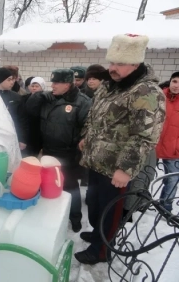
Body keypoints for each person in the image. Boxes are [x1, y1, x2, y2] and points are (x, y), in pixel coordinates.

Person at [75, 33, 166, 265]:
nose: (112, 68)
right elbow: (94, 116)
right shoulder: (109, 84)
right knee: (94, 205)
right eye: (111, 62)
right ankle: (98, 234)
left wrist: (125, 169)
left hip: (116, 167)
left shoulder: (145, 92)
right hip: (96, 160)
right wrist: (87, 136)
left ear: (135, 64)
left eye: (119, 63)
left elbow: (144, 136)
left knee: (110, 211)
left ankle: (102, 249)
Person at [26, 69, 91, 232]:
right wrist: (37, 96)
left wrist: (81, 145)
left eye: (57, 83)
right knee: (47, 184)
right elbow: (29, 111)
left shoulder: (82, 102)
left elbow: (89, 127)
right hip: (48, 150)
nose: (52, 85)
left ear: (68, 84)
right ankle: (51, 214)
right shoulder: (48, 98)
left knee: (69, 186)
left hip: (69, 153)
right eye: (52, 82)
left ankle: (75, 218)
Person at [156, 71, 179, 212]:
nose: (177, 85)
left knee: (172, 179)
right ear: (170, 81)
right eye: (175, 81)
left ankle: (165, 206)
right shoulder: (158, 97)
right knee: (146, 177)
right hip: (153, 145)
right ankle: (138, 203)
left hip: (173, 148)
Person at [0, 67, 28, 151]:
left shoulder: (16, 97)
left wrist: (22, 139)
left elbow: (22, 120)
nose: (12, 82)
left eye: (13, 80)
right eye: (9, 80)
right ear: (0, 80)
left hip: (11, 136)